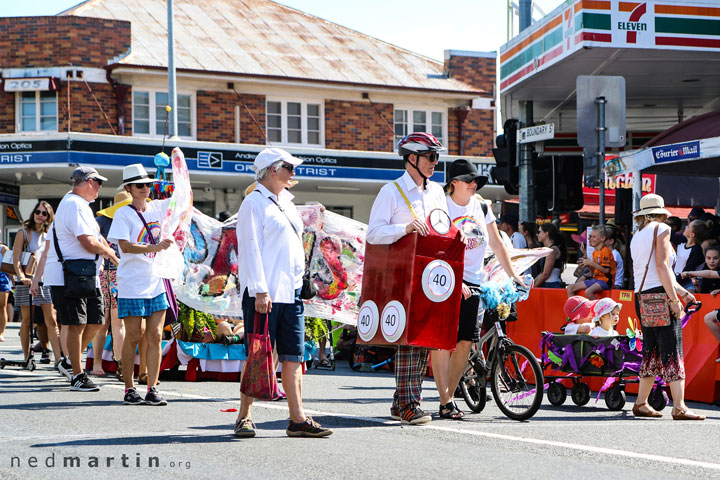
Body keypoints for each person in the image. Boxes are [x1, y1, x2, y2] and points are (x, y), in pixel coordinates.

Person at [234, 147, 332, 438]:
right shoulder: (253, 203)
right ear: (272, 169)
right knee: (258, 353)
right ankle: (244, 416)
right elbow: (250, 249)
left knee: (292, 355)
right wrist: (260, 290)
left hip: (290, 293)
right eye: (288, 167)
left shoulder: (286, 203)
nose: (293, 172)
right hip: (265, 293)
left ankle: (297, 418)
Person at [366, 132, 449, 425]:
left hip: (432, 275)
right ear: (411, 158)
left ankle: (402, 401)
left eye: (437, 157)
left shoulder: (437, 192)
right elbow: (373, 233)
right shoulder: (391, 191)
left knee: (424, 338)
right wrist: (404, 228)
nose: (435, 163)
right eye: (430, 157)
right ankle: (408, 403)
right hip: (402, 275)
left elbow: (443, 233)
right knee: (408, 339)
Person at [433, 159, 524, 420]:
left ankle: (448, 396)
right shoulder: (441, 205)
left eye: (476, 181)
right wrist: (454, 279)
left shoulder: (482, 207)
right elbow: (434, 247)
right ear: (454, 183)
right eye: (469, 180)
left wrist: (513, 275)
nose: (474, 184)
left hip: (473, 281)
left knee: (465, 341)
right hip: (444, 279)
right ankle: (444, 400)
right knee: (442, 343)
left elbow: (496, 244)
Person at [42, 166, 118, 392]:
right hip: (69, 275)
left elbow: (96, 237)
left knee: (96, 321)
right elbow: (87, 241)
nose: (100, 188)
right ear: (90, 183)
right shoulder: (74, 205)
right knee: (76, 323)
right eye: (99, 184)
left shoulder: (79, 205)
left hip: (85, 274)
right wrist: (112, 255)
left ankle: (68, 361)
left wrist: (105, 247)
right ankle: (77, 374)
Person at [630, 193, 704, 420]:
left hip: (641, 296)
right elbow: (663, 267)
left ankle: (641, 402)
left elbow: (655, 271)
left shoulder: (637, 235)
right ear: (661, 213)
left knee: (651, 350)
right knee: (672, 349)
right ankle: (679, 406)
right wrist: (674, 300)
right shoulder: (661, 229)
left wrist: (682, 293)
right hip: (660, 296)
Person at [108, 164, 176, 406]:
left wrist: (175, 168)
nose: (146, 188)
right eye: (140, 185)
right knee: (134, 335)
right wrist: (153, 247)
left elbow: (182, 199)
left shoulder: (157, 207)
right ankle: (129, 387)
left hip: (156, 281)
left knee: (156, 335)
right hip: (132, 283)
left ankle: (153, 387)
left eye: (148, 184)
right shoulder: (123, 214)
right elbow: (125, 247)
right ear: (129, 188)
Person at [12, 201, 62, 365]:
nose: (40, 215)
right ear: (33, 213)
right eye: (38, 212)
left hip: (46, 281)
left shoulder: (51, 233)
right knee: (27, 320)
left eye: (44, 213)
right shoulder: (24, 233)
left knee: (52, 320)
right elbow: (16, 259)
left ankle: (58, 360)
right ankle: (27, 356)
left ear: (49, 216)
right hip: (27, 281)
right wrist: (21, 276)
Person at [93, 191, 129, 379]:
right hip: (109, 273)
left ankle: (117, 363)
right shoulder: (101, 223)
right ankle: (113, 363)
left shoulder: (103, 222)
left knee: (113, 321)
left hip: (115, 274)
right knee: (108, 322)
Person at [567, 225, 615, 299]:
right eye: (590, 236)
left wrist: (590, 263)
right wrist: (586, 260)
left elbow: (606, 270)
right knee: (570, 288)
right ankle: (575, 309)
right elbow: (592, 272)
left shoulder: (605, 251)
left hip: (605, 281)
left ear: (602, 238)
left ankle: (601, 309)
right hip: (595, 280)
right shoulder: (594, 252)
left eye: (593, 237)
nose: (590, 239)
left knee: (588, 292)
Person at [674, 219, 710, 291]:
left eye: (688, 226)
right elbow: (671, 235)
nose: (686, 226)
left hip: (690, 282)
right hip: (677, 279)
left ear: (692, 234)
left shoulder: (696, 250)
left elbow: (688, 269)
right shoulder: (682, 242)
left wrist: (673, 283)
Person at [535, 223, 566, 288]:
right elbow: (543, 273)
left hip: (551, 285)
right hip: (549, 284)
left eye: (539, 232)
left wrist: (533, 287)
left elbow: (545, 274)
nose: (537, 234)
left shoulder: (552, 250)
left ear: (546, 233)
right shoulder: (551, 250)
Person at [0, 235, 11, 342]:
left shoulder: (3, 249)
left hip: (2, 279)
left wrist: (13, 279)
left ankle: (1, 333)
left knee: (2, 307)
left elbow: (9, 264)